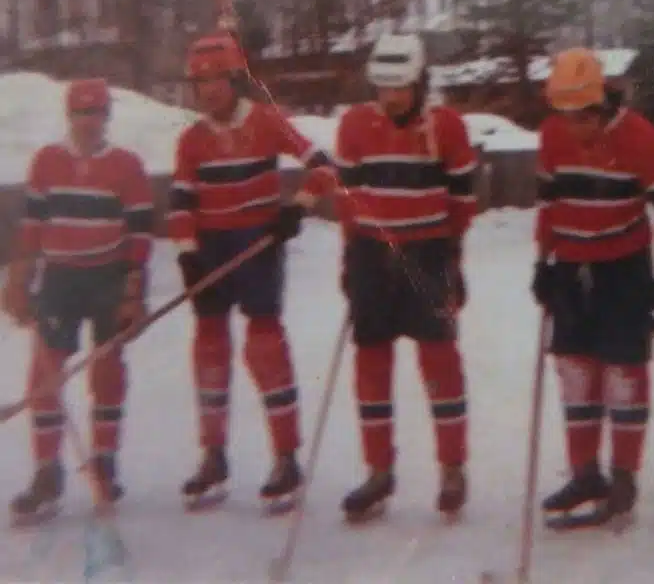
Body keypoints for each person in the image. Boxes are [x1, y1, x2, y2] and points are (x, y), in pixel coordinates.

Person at [165, 31, 335, 515]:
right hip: (212, 248)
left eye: (216, 81)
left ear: (235, 80)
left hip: (257, 246)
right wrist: (187, 254)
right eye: (199, 84)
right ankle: (213, 455)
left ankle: (286, 457)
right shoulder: (192, 140)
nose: (208, 92)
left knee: (264, 345)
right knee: (210, 347)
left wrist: (296, 207)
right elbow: (181, 202)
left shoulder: (265, 121)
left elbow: (324, 167)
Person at [530, 47, 654, 527]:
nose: (572, 128)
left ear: (600, 105)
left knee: (623, 373)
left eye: (582, 118)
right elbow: (548, 204)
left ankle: (623, 478)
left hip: (624, 267)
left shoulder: (641, 139)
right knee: (575, 371)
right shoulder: (552, 135)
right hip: (572, 264)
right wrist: (542, 262)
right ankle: (584, 474)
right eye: (565, 117)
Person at [334, 32, 478, 523]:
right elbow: (348, 200)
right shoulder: (354, 125)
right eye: (383, 88)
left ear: (420, 84)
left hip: (427, 252)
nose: (391, 97)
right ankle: (379, 470)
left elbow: (462, 202)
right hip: (372, 254)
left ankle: (452, 468)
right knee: (371, 363)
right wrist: (349, 259)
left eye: (400, 88)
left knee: (440, 361)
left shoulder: (447, 127)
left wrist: (452, 259)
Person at [1, 78, 155, 526]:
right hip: (61, 278)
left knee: (107, 370)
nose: (90, 122)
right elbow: (32, 226)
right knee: (45, 372)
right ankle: (47, 472)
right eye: (82, 114)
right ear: (70, 116)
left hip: (107, 277)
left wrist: (133, 293)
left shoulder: (127, 165)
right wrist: (19, 279)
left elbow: (140, 235)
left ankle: (104, 462)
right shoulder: (47, 161)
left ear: (107, 117)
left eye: (97, 113)